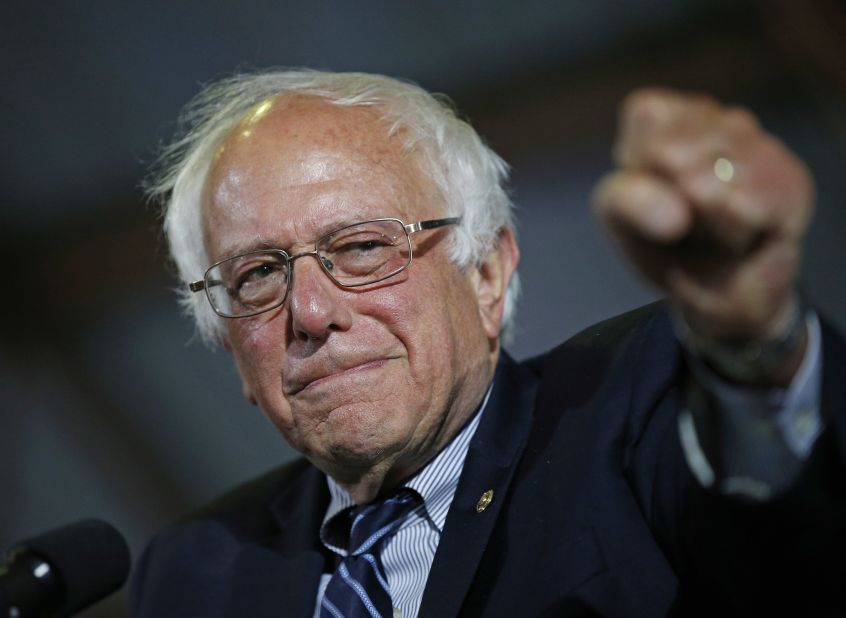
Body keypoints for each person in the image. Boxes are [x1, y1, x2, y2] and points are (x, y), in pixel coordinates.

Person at [130, 71, 845, 617]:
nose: (311, 312)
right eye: (257, 274)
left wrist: (758, 354)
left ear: (488, 274)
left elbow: (792, 554)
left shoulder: (641, 399)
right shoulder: (196, 573)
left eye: (362, 247)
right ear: (229, 348)